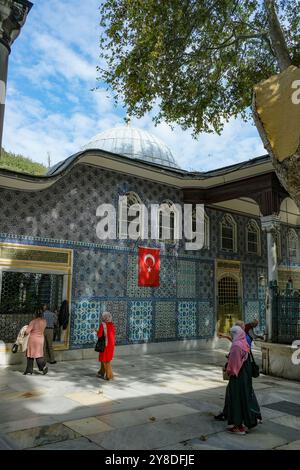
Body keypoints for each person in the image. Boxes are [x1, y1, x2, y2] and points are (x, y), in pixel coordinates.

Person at [225, 325, 261, 435]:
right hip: (246, 376)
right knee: (245, 398)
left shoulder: (236, 345)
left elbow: (234, 365)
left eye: (232, 334)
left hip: (238, 377)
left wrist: (228, 370)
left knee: (236, 399)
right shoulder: (244, 342)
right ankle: (248, 422)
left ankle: (238, 426)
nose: (232, 335)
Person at [23, 307, 48, 375]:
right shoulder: (44, 321)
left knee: (30, 355)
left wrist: (25, 329)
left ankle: (29, 370)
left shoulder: (33, 322)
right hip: (40, 340)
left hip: (33, 340)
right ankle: (43, 367)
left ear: (35, 314)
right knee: (38, 354)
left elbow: (27, 332)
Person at [96, 311, 115, 381]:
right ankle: (101, 372)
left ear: (103, 318)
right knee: (106, 359)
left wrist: (97, 331)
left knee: (105, 359)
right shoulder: (112, 324)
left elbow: (99, 335)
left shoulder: (102, 325)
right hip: (111, 344)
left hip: (105, 345)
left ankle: (109, 376)